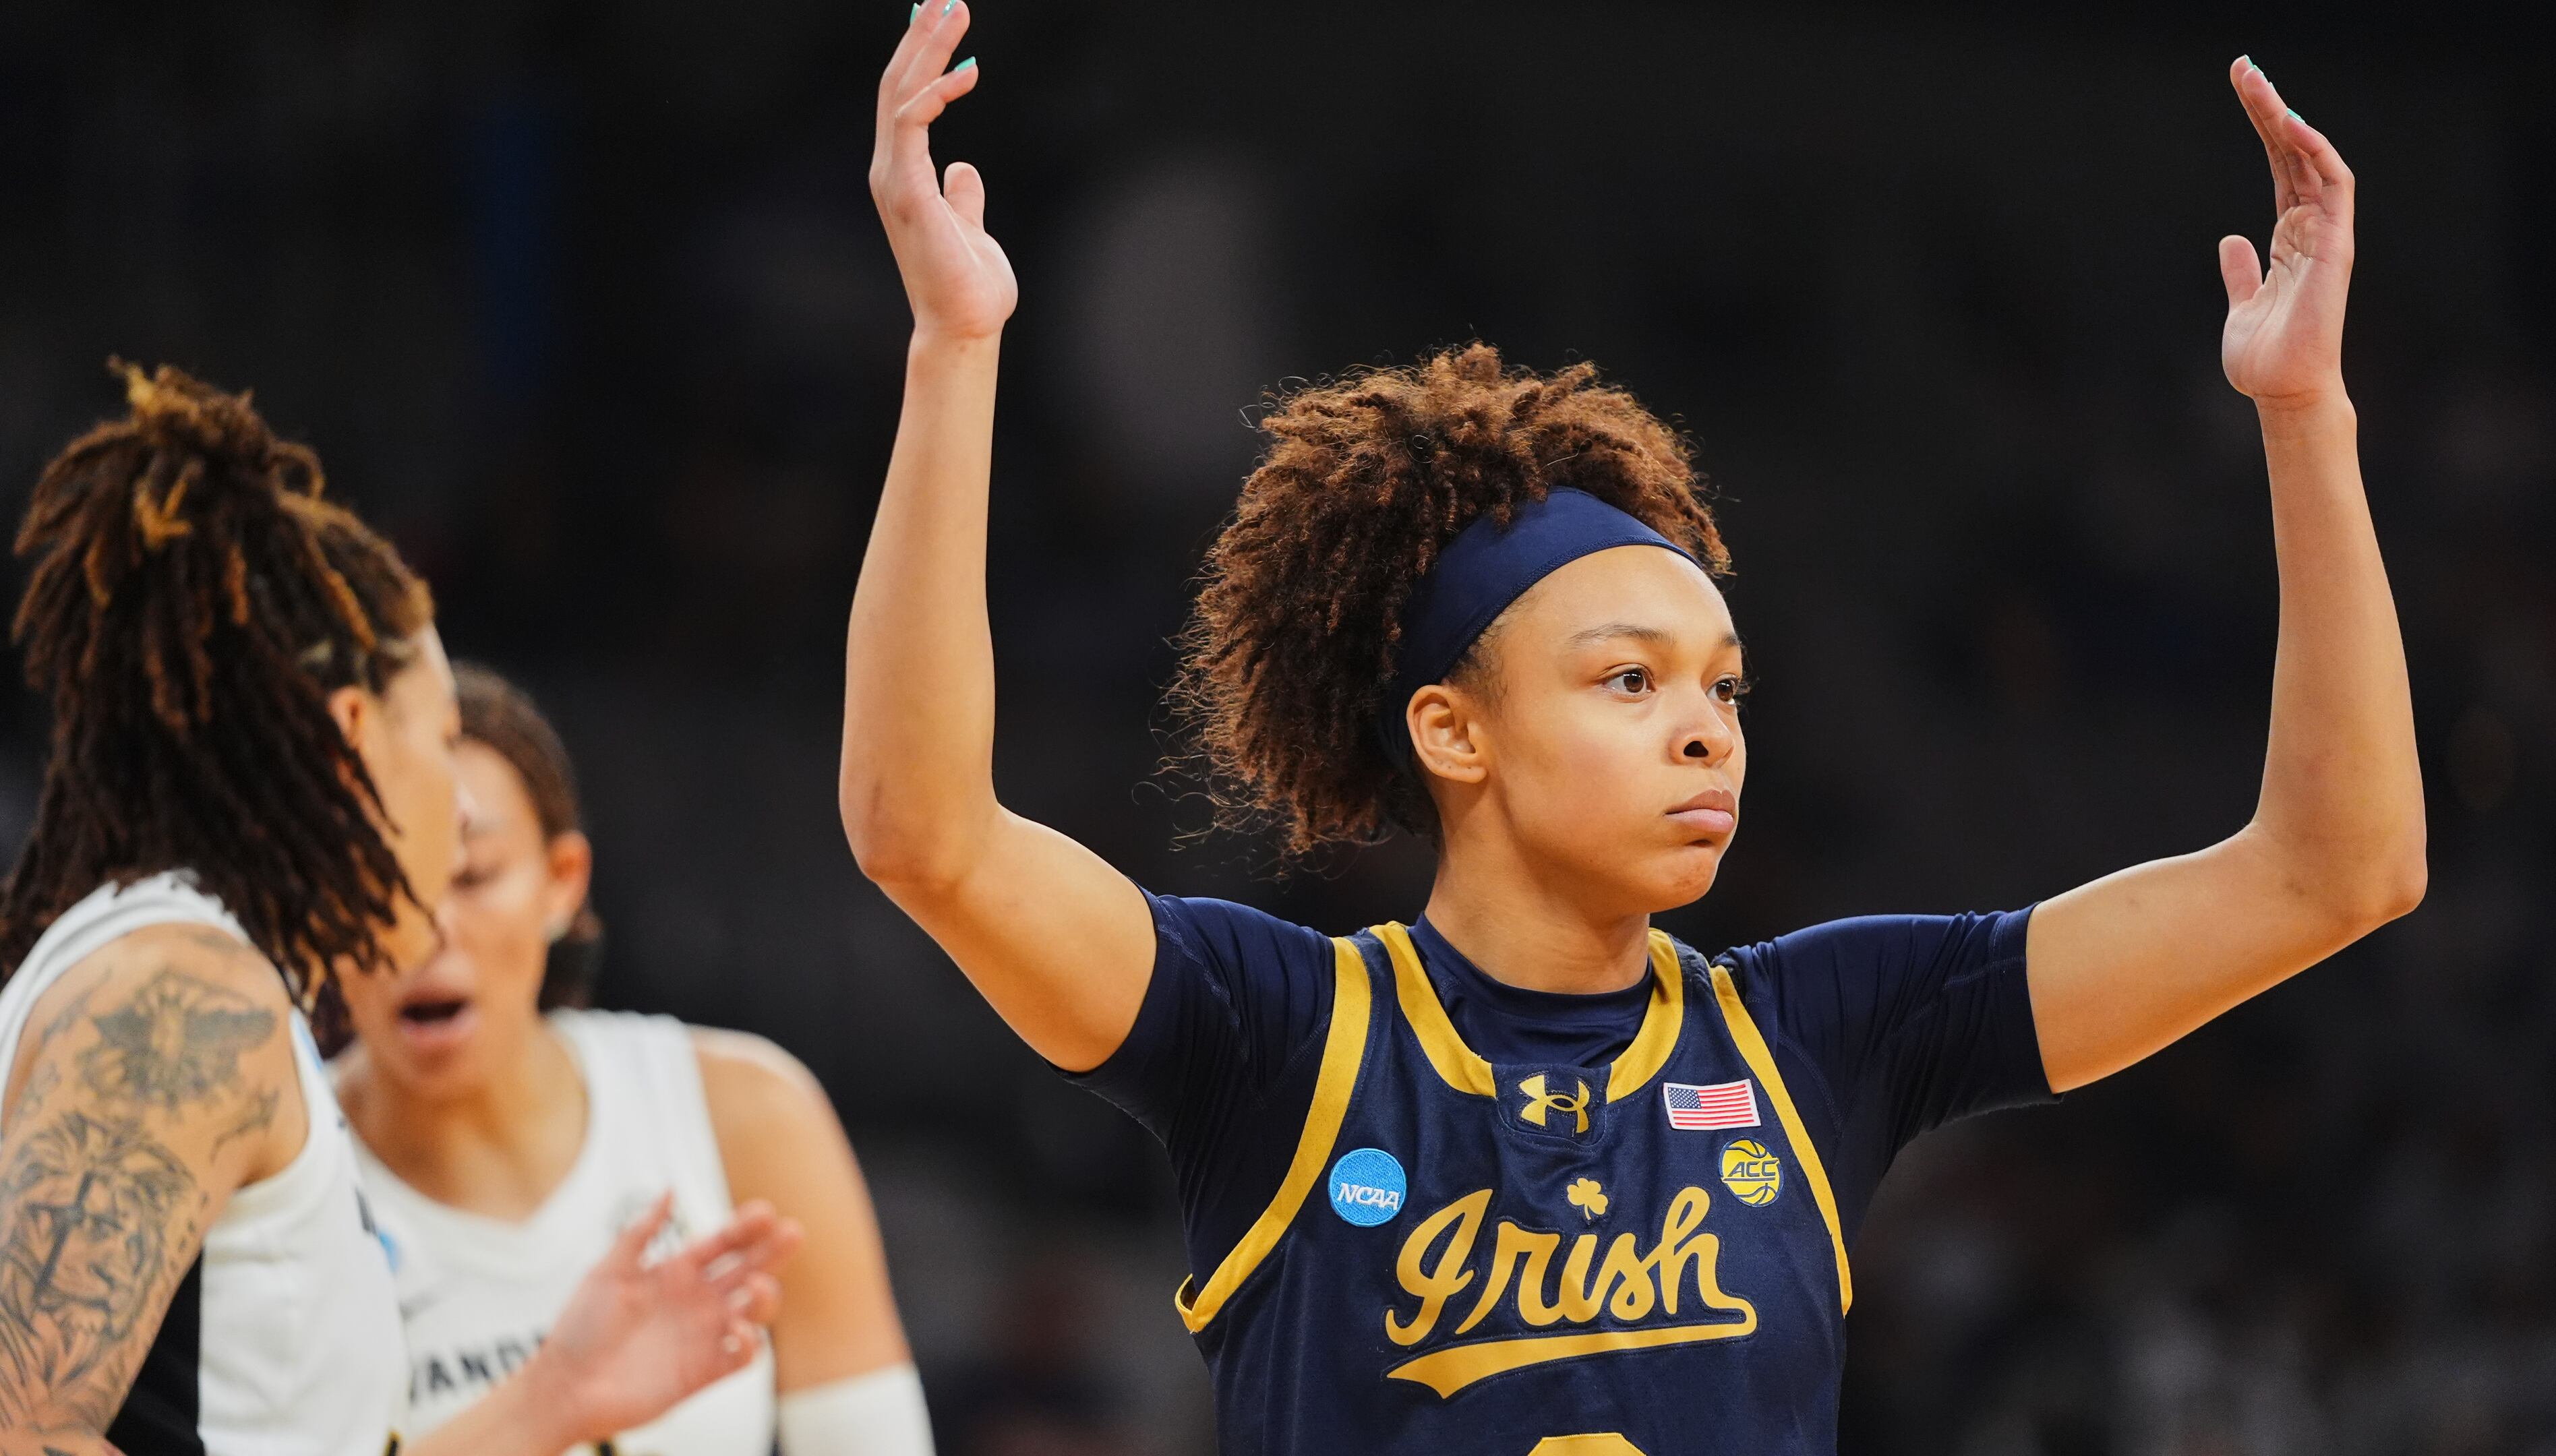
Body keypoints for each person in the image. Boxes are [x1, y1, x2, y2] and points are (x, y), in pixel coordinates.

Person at [842, 11, 2420, 1455]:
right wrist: (952, 352)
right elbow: (925, 828)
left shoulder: (1821, 1031)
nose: (1704, 732)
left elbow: (2331, 873)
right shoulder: (1275, 1031)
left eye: (1721, 687)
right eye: (1628, 680)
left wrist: (2305, 418)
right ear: (1454, 731)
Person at [0, 365, 802, 1456]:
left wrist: (546, 1403)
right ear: (350, 740)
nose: (452, 804)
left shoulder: (199, 975)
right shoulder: (183, 1000)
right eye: (434, 740)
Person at [334, 663, 934, 1455]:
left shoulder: (747, 1113)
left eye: (473, 876)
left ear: (562, 882)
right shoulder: (269, 1176)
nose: (428, 929)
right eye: (378, 886)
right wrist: (546, 1406)